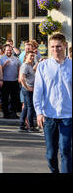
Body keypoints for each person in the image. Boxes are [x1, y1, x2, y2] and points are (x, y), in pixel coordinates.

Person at [34, 33, 72, 173]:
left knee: (65, 151)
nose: (55, 49)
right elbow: (38, 91)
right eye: (52, 47)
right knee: (51, 154)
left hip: (68, 116)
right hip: (49, 116)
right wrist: (38, 112)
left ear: (65, 46)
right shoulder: (43, 66)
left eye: (58, 46)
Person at [0, 44, 22, 119]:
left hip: (14, 81)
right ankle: (5, 113)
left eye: (10, 50)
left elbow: (19, 68)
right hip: (5, 81)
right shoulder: (1, 59)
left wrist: (19, 77)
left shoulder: (16, 59)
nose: (9, 51)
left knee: (14, 98)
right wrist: (4, 65)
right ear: (4, 51)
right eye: (7, 50)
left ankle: (13, 113)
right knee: (4, 98)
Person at [18, 51, 38, 132]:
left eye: (33, 56)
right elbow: (22, 78)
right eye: (31, 56)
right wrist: (27, 88)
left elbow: (33, 70)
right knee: (30, 107)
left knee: (26, 107)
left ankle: (21, 125)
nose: (32, 58)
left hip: (29, 88)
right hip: (27, 89)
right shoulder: (25, 65)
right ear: (26, 57)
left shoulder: (30, 65)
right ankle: (31, 126)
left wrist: (38, 62)